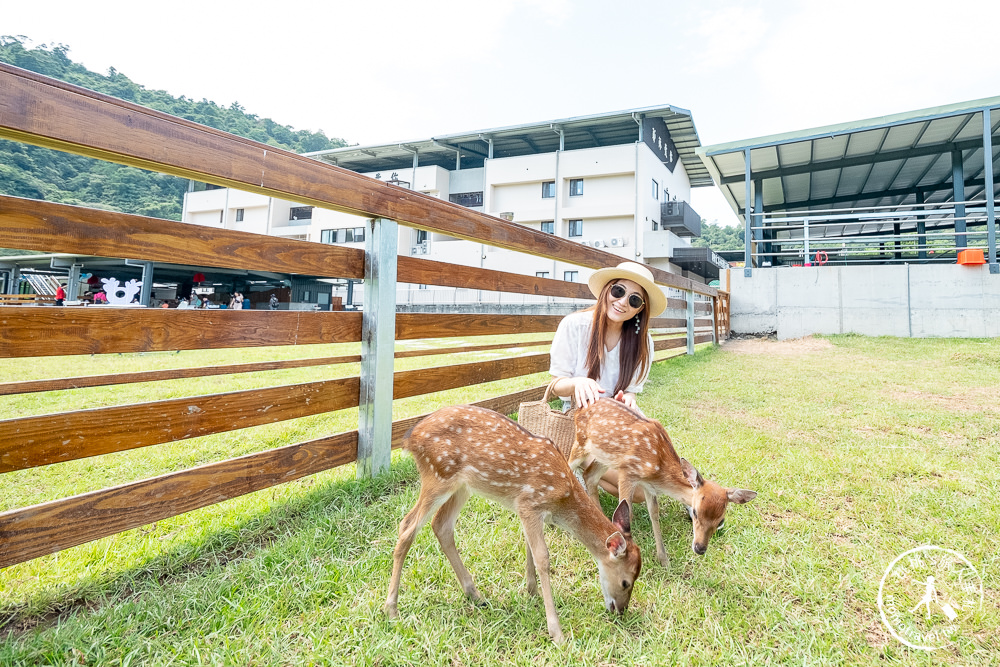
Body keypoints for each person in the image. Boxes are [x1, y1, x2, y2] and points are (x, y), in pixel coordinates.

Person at [548, 261, 667, 499]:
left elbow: (631, 390)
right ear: (607, 290)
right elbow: (556, 386)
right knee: (639, 488)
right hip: (581, 423)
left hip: (618, 423)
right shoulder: (574, 325)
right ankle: (580, 462)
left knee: (646, 487)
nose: (622, 302)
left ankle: (584, 471)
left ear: (639, 310)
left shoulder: (643, 342)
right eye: (619, 291)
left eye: (634, 300)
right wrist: (578, 382)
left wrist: (629, 399)